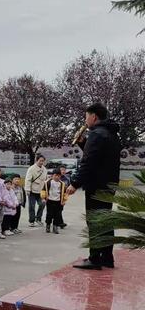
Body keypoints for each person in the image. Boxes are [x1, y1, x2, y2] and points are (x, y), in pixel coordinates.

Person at [67, 103, 121, 270]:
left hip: (96, 186)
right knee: (105, 222)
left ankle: (94, 259)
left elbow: (89, 163)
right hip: (109, 185)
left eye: (86, 117)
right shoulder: (112, 134)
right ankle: (107, 258)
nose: (85, 121)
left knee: (95, 222)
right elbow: (101, 158)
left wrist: (75, 183)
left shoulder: (96, 134)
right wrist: (84, 144)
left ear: (94, 117)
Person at [41, 169, 67, 234]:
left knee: (57, 215)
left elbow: (65, 193)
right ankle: (48, 225)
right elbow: (43, 190)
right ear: (52, 175)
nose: (57, 177)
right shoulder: (48, 182)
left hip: (58, 202)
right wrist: (43, 198)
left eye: (58, 176)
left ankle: (55, 227)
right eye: (55, 175)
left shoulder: (62, 184)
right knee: (49, 214)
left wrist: (64, 200)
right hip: (50, 201)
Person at [24, 155, 48, 227]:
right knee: (32, 206)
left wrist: (46, 190)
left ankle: (38, 218)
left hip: (41, 191)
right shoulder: (31, 168)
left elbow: (45, 180)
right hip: (32, 190)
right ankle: (31, 221)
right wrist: (27, 189)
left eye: (43, 161)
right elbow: (28, 179)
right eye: (40, 160)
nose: (41, 162)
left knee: (42, 204)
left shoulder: (44, 169)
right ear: (36, 160)